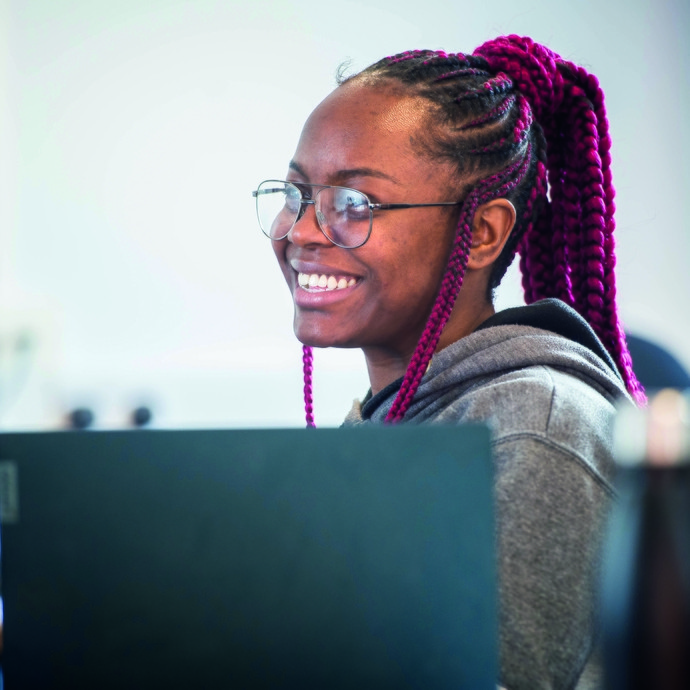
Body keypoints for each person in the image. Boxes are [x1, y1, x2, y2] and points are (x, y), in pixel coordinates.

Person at [253, 35, 643, 690]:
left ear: (483, 232)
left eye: (355, 204)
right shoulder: (398, 415)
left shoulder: (531, 425)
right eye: (296, 194)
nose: (301, 231)